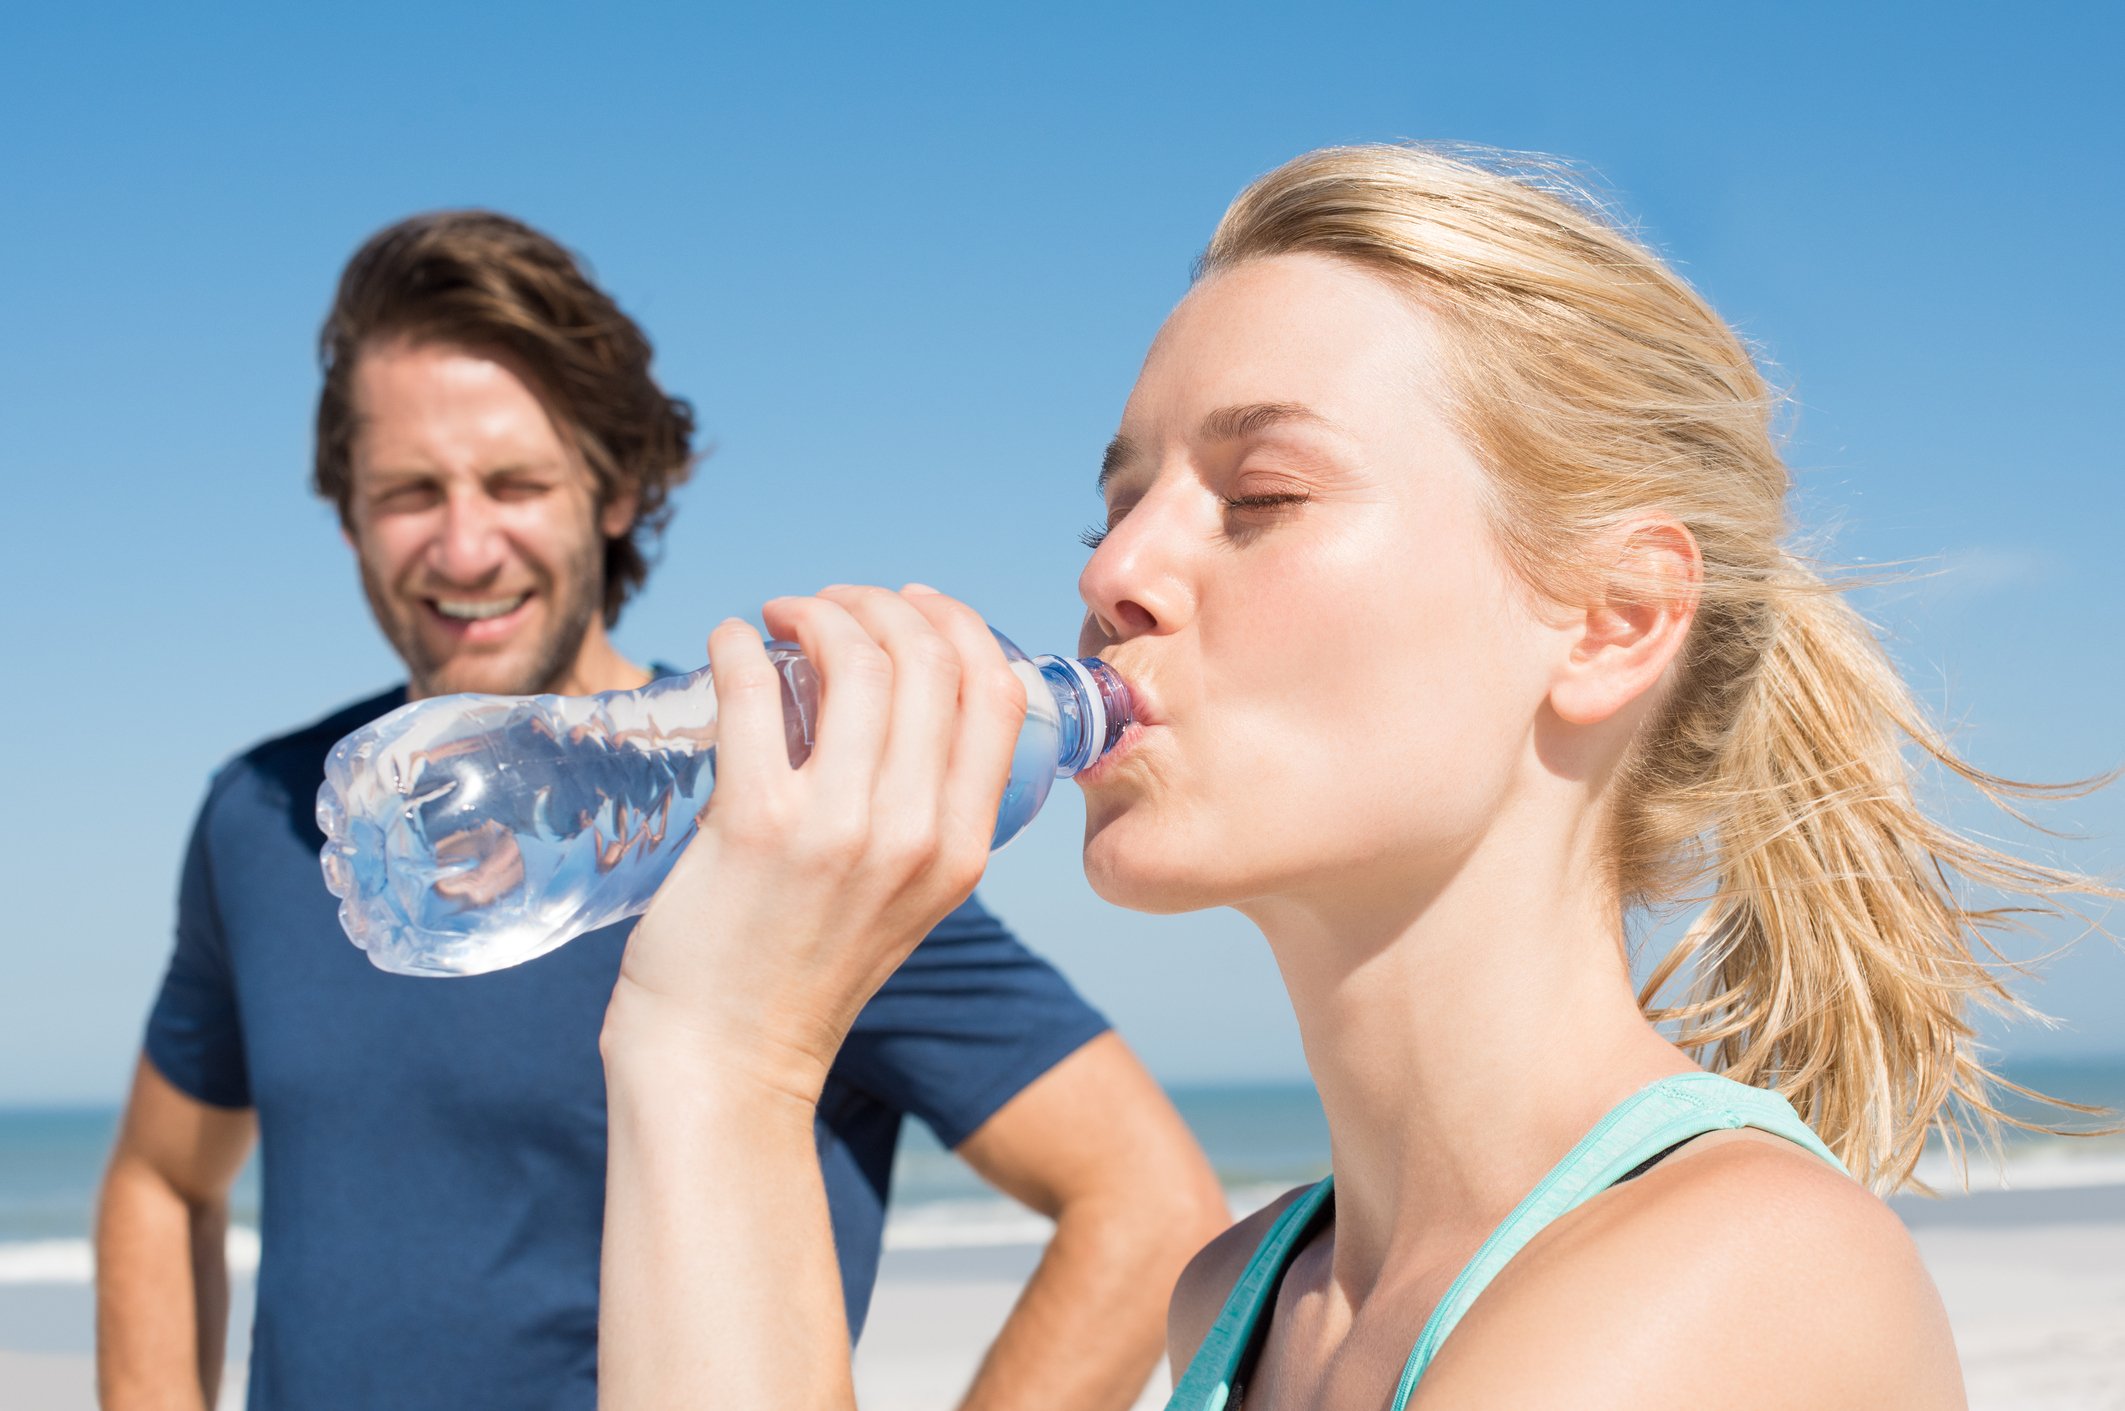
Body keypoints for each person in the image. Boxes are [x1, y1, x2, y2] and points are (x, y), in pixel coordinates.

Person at [593, 144, 2121, 1409]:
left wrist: (726, 1059)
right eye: (1112, 511)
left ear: (1614, 619)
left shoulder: (1728, 1283)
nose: (1116, 571)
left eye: (1259, 495)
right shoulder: (1246, 1298)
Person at [93, 211, 1229, 1411]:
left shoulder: (796, 814)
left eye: (517, 483)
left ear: (620, 491)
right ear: (348, 515)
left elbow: (1147, 1205)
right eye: (410, 492)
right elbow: (162, 1181)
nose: (465, 545)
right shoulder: (265, 817)